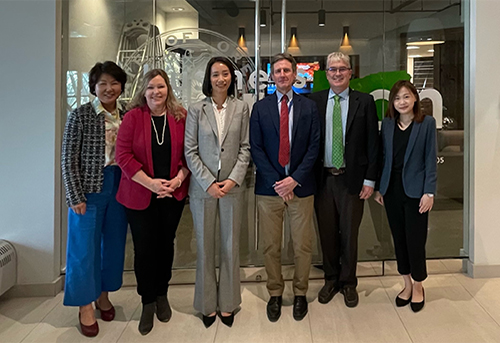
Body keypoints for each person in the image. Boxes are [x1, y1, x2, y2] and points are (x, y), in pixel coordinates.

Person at [115, 69, 190, 335]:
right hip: (139, 194)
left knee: (165, 245)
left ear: (168, 88)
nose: (155, 92)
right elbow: (122, 155)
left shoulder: (180, 116)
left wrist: (178, 181)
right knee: (144, 249)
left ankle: (162, 294)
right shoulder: (133, 117)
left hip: (172, 194)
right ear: (143, 91)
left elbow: (190, 154)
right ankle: (147, 301)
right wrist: (151, 183)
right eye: (150, 88)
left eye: (160, 87)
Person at [250, 53, 320, 322]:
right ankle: (275, 293)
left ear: (294, 75)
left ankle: (300, 293)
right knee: (271, 246)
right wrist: (278, 183)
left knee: (303, 245)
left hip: (301, 187)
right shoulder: (260, 108)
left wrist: (295, 179)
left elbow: (314, 147)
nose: (282, 75)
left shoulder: (308, 107)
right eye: (277, 71)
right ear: (272, 76)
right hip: (269, 189)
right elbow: (256, 148)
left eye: (286, 70)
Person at [61, 61, 128, 337]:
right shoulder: (81, 115)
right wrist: (74, 194)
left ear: (121, 86)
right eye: (103, 84)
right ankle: (84, 305)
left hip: (120, 186)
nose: (109, 88)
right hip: (89, 188)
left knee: (112, 246)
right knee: (83, 249)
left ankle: (103, 295)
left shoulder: (128, 114)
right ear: (94, 87)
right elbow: (68, 159)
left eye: (114, 83)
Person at [184, 57, 250, 328]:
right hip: (203, 190)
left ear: (232, 78)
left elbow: (246, 148)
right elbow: (190, 150)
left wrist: (232, 180)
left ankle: (229, 303)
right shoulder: (196, 109)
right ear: (208, 79)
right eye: (215, 74)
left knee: (230, 247)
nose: (221, 79)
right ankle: (206, 304)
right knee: (205, 247)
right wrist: (208, 182)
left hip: (232, 189)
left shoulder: (241, 108)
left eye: (225, 74)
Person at [309, 51, 379, 308]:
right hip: (322, 180)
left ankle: (348, 283)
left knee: (350, 234)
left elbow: (373, 143)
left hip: (352, 180)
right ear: (326, 73)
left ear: (351, 72)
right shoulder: (313, 102)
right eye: (332, 69)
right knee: (326, 234)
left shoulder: (365, 102)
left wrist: (370, 180)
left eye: (342, 69)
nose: (337, 73)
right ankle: (330, 279)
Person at [374, 80, 437, 313]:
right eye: (397, 98)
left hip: (416, 192)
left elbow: (430, 160)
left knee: (415, 241)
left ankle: (419, 286)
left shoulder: (427, 124)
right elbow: (383, 159)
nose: (402, 102)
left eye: (406, 97)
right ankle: (406, 284)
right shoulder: (388, 124)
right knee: (399, 240)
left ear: (415, 99)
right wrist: (380, 188)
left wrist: (429, 192)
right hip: (392, 191)